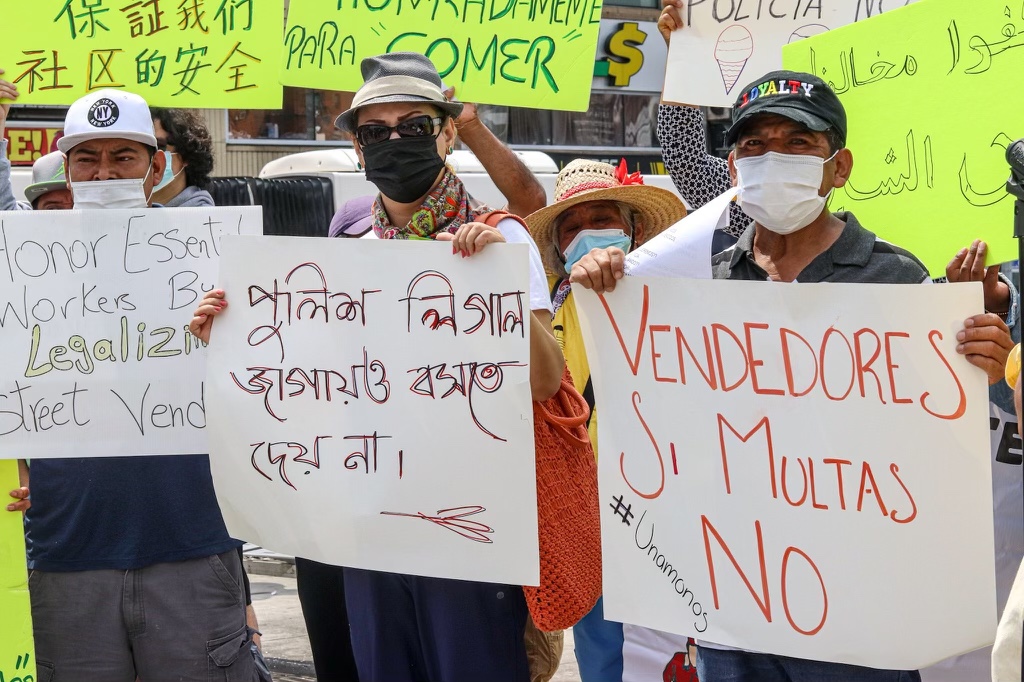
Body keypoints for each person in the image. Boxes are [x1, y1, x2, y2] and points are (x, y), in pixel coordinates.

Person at [570, 68, 1014, 682]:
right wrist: (605, 286)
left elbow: (943, 439)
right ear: (731, 168)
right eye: (754, 144)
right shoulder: (704, 286)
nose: (773, 157)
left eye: (798, 143)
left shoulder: (897, 281)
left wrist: (986, 360)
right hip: (739, 608)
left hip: (863, 619)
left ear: (840, 166)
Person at [191, 52, 565, 682]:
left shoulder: (501, 237)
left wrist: (498, 300)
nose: (394, 141)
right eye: (375, 131)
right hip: (369, 526)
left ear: (448, 132)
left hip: (470, 532)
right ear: (358, 148)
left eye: (414, 127)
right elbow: (313, 383)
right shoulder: (346, 249)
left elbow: (546, 382)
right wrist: (227, 336)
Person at [8, 88, 255, 682]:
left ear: (157, 167)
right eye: (87, 158)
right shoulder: (19, 264)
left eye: (124, 157)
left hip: (193, 541)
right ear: (66, 169)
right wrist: (18, 468)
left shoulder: (216, 258)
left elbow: (270, 383)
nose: (103, 172)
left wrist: (222, 343)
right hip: (68, 548)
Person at [524, 158, 687, 682]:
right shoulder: (550, 300)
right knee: (602, 656)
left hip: (667, 510)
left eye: (602, 218)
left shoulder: (677, 291)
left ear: (633, 229)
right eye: (573, 226)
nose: (588, 235)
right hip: (585, 511)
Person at [151, 107, 214, 207]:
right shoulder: (125, 212)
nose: (148, 156)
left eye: (158, 146)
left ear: (186, 157)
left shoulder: (205, 218)